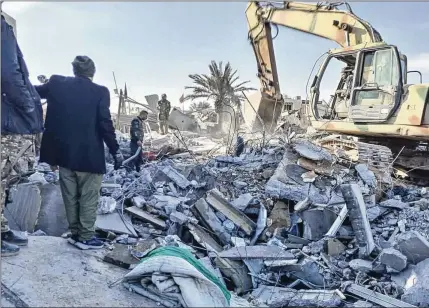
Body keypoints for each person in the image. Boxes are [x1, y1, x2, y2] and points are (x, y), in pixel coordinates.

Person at [34, 55, 124, 250]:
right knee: (88, 198)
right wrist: (116, 150)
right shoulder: (100, 92)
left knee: (70, 196)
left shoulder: (57, 83)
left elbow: (32, 92)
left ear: (74, 70)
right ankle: (85, 237)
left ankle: (75, 233)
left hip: (64, 156)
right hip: (90, 158)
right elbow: (105, 124)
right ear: (92, 72)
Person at [1, 14, 44, 256]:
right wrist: (28, 106)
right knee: (3, 174)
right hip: (8, 119)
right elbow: (9, 71)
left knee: (5, 178)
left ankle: (2, 227)